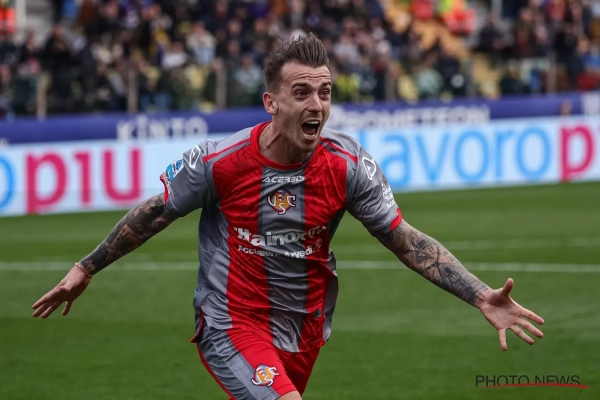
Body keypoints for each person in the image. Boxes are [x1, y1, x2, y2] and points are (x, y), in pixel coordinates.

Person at [32, 33, 544, 400]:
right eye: (301, 93)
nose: (316, 104)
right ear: (271, 102)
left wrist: (479, 294)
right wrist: (87, 266)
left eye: (324, 92)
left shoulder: (348, 165)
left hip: (303, 331)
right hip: (231, 322)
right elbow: (154, 213)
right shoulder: (220, 162)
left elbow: (405, 240)